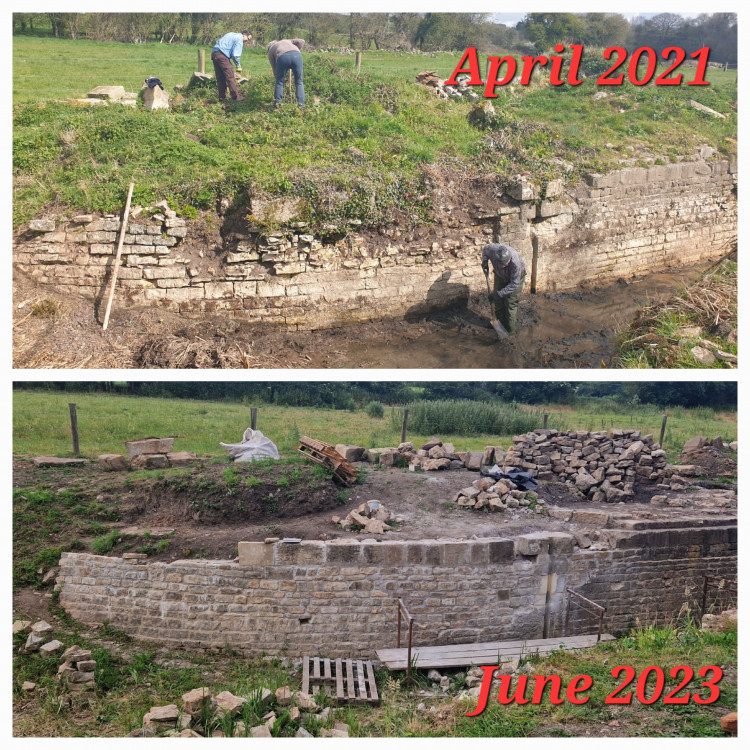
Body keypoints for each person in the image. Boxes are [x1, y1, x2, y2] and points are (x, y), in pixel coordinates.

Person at [481, 242, 526, 334]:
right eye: (500, 263)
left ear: (509, 259)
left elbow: (514, 284)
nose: (502, 266)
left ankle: (509, 330)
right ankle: (500, 324)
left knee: (510, 304)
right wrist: (485, 261)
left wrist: (499, 293)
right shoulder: (492, 250)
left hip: (514, 279)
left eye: (504, 264)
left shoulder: (515, 264)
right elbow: (485, 249)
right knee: (498, 302)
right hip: (500, 275)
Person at [211, 30, 252, 101]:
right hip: (222, 55)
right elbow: (235, 55)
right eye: (248, 38)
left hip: (215, 53)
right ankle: (235, 97)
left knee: (220, 77)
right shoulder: (239, 38)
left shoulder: (230, 34)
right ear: (244, 34)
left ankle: (222, 97)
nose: (247, 41)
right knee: (230, 76)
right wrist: (238, 65)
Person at [268, 38, 305, 108]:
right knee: (299, 82)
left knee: (279, 82)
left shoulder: (270, 50)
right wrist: (296, 49)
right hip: (297, 56)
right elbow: (302, 41)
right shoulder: (288, 41)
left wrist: (278, 77)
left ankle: (278, 104)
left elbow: (274, 68)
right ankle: (301, 105)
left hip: (282, 57)